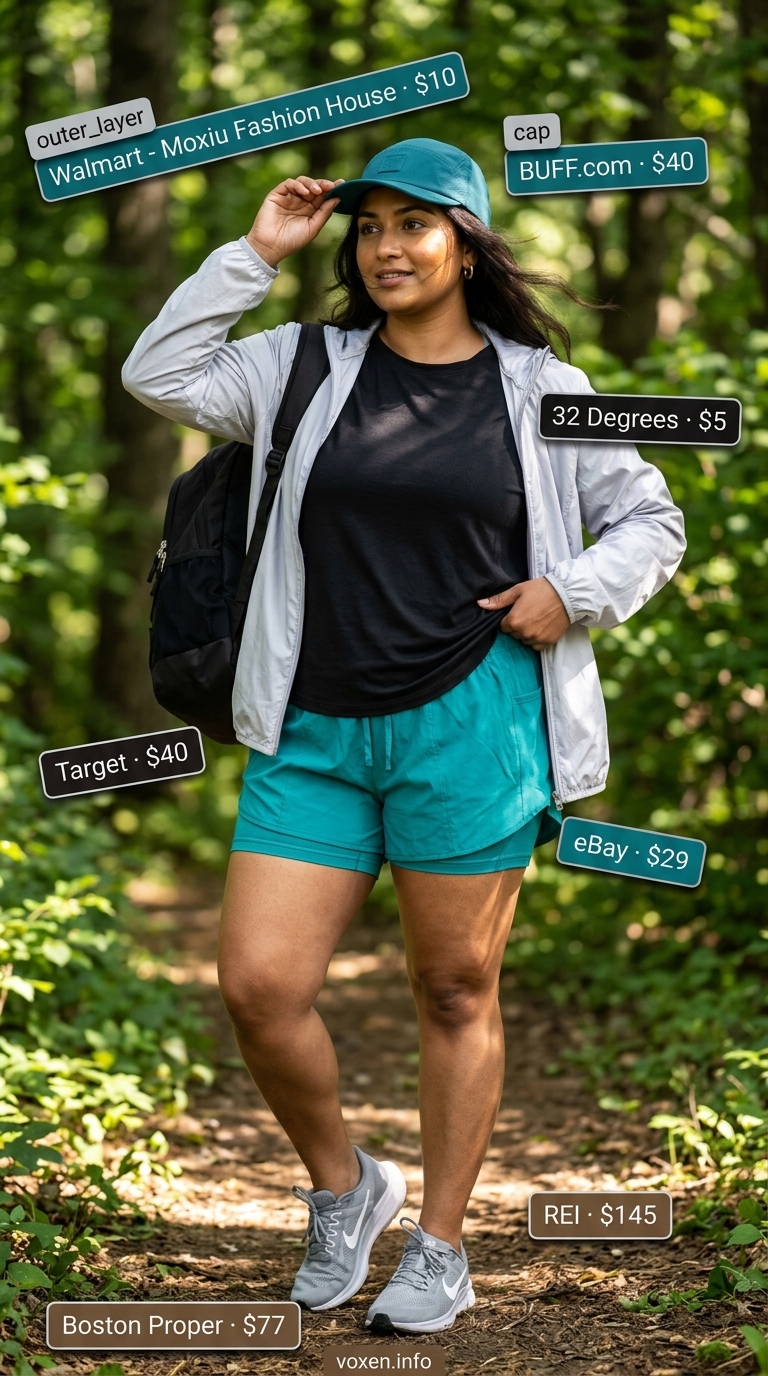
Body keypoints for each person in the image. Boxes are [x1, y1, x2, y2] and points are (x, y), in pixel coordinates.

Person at [123, 138, 685, 1334]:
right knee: (260, 984)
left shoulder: (545, 386)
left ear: (466, 244)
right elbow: (158, 370)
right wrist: (257, 249)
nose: (386, 246)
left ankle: (442, 1243)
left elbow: (650, 516)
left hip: (475, 719)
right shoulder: (298, 366)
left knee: (454, 985)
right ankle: (346, 1188)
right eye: (368, 226)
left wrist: (574, 589)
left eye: (413, 224)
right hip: (313, 727)